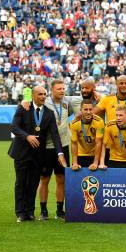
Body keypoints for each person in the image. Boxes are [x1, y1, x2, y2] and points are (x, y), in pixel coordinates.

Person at [9, 86, 66, 222]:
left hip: (38, 154)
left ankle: (30, 211)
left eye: (44, 94)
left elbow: (55, 135)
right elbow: (14, 127)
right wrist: (27, 136)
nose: (43, 97)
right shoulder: (23, 108)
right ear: (33, 95)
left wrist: (59, 153)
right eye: (40, 94)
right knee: (21, 183)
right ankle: (20, 213)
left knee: (33, 183)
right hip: (22, 152)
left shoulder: (49, 113)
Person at [39, 79, 78, 220]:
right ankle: (43, 211)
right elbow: (31, 99)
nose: (62, 91)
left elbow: (85, 97)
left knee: (61, 178)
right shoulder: (44, 102)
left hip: (64, 145)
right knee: (44, 179)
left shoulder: (67, 102)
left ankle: (59, 211)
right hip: (47, 147)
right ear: (51, 90)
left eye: (63, 88)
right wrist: (25, 100)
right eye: (59, 89)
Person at [70, 99, 104, 171]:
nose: (88, 112)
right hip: (80, 154)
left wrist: (95, 162)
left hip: (95, 154)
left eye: (90, 109)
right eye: (85, 109)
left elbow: (99, 142)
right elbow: (74, 143)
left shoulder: (99, 122)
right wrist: (75, 162)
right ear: (80, 110)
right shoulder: (74, 123)